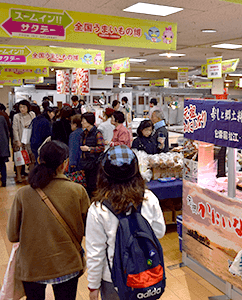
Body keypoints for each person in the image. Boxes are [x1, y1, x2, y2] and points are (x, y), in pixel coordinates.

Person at [7, 141, 90, 300]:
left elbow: (12, 235)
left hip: (32, 265)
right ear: (64, 164)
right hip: (67, 263)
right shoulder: (77, 191)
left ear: (38, 161)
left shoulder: (23, 194)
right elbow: (87, 229)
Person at [85, 146, 166, 300]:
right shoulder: (148, 197)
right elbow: (159, 232)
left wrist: (93, 286)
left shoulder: (98, 209)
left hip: (114, 279)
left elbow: (96, 253)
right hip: (147, 272)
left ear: (103, 174)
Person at [80, 112, 105, 197]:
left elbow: (101, 147)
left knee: (93, 185)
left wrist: (89, 149)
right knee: (87, 184)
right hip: (86, 163)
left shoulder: (97, 133)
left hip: (94, 164)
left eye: (83, 121)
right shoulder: (84, 133)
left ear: (88, 121)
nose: (82, 122)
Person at [12, 100, 36, 183]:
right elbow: (15, 130)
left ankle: (30, 175)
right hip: (20, 140)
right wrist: (17, 140)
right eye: (20, 107)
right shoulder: (17, 116)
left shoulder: (32, 114)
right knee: (19, 159)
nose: (22, 109)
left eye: (24, 107)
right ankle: (18, 175)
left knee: (31, 159)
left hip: (30, 140)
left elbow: (35, 126)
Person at [0, 113, 9, 187]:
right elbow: (6, 131)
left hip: (2, 145)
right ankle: (4, 181)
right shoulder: (2, 118)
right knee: (2, 164)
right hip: (2, 145)